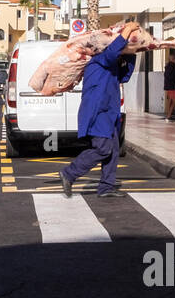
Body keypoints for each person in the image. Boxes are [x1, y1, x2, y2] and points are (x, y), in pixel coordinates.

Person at [59, 21, 142, 199]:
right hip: (98, 113)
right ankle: (69, 173)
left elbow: (125, 76)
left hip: (110, 113)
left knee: (112, 150)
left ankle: (106, 187)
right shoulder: (98, 60)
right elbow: (112, 54)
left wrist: (132, 53)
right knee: (103, 148)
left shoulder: (111, 64)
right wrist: (127, 30)